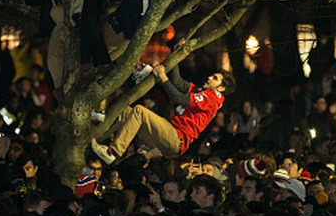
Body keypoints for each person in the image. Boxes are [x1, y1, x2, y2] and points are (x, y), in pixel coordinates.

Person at [90, 55, 235, 165]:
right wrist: (177, 53)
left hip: (176, 139)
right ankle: (95, 139)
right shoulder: (202, 91)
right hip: (169, 136)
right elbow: (178, 82)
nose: (210, 77)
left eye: (215, 78)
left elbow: (178, 98)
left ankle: (113, 151)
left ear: (221, 88)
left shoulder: (213, 97)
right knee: (126, 111)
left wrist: (162, 76)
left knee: (140, 110)